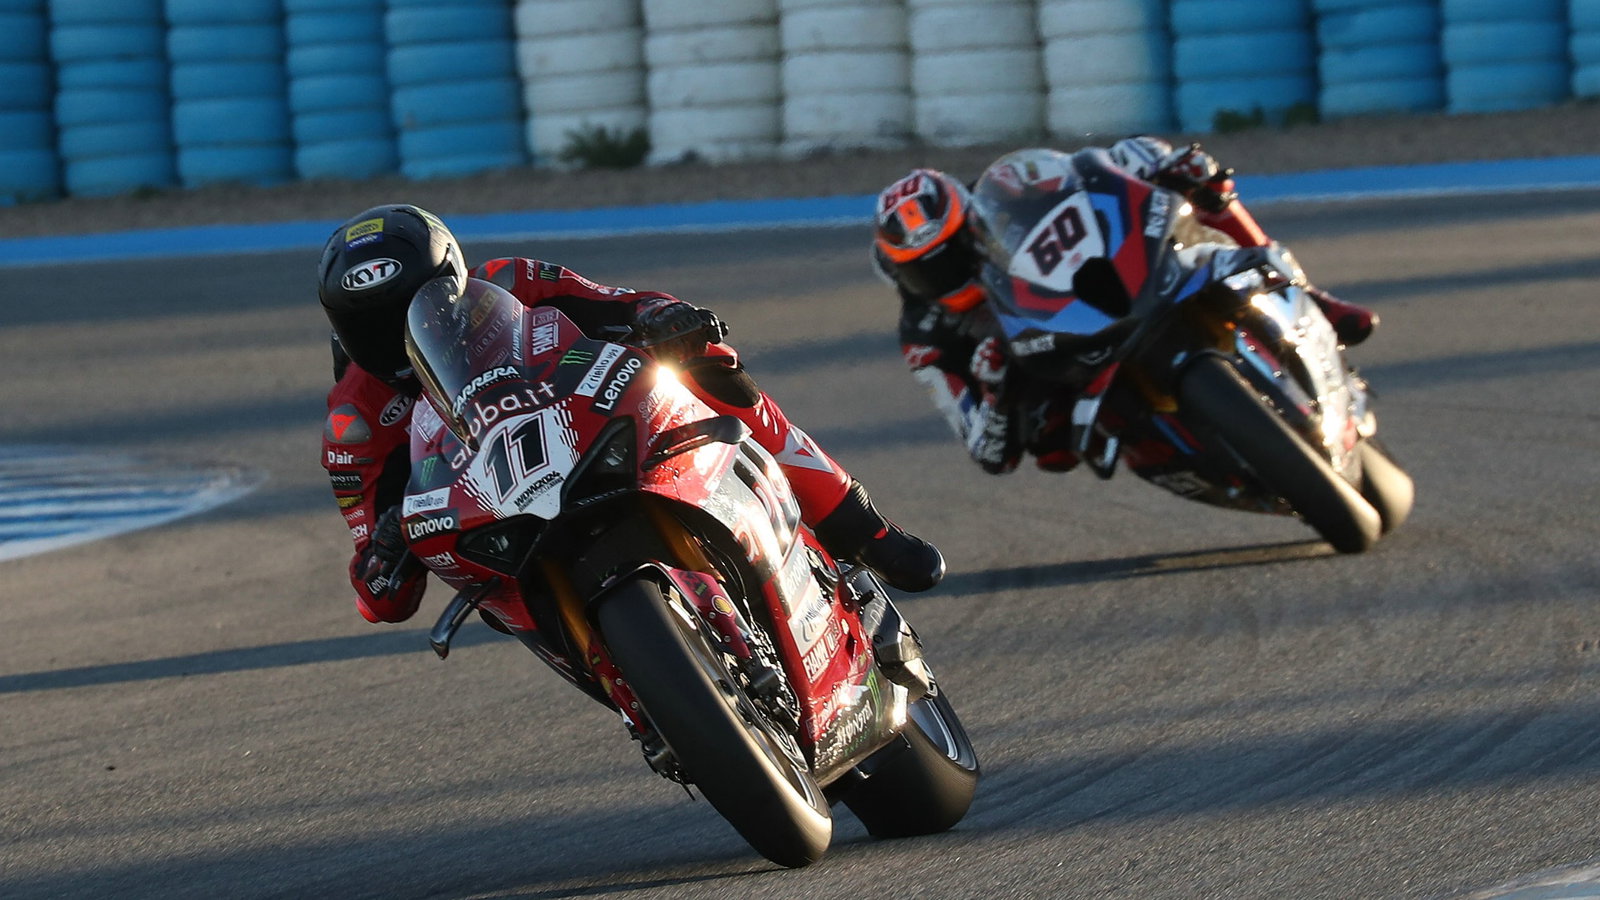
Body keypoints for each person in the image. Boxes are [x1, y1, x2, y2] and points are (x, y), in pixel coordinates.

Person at [318, 203, 944, 624]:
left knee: (706, 360)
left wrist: (661, 319)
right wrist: (387, 550)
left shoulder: (509, 281)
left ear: (455, 277)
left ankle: (863, 528)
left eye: (419, 305)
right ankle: (647, 696)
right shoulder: (353, 425)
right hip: (504, 528)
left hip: (592, 435)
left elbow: (624, 303)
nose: (405, 334)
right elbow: (380, 598)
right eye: (375, 325)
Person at [871, 135, 1379, 476]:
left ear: (973, 221)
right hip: (1048, 367)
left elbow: (1092, 171)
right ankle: (1170, 443)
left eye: (956, 249)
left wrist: (1163, 164)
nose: (950, 272)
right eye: (926, 269)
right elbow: (986, 451)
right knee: (1052, 452)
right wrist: (997, 390)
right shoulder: (924, 335)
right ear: (900, 273)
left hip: (1107, 294)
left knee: (1202, 198)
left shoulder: (1010, 198)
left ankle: (1313, 298)